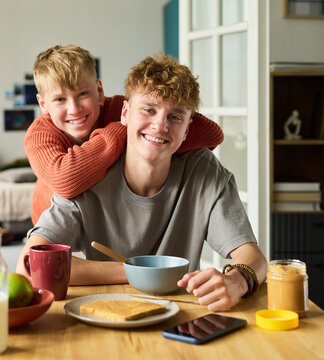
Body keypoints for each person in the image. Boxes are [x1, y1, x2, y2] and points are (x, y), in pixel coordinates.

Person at [17, 53, 267, 312]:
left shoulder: (203, 170)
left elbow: (254, 258)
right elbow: (29, 264)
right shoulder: (85, 172)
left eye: (176, 117)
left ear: (188, 128)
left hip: (182, 315)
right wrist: (141, 272)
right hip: (106, 313)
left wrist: (238, 281)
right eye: (148, 110)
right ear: (125, 113)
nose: (160, 125)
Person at [24, 45, 224, 224]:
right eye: (59, 99)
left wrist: (154, 135)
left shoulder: (120, 108)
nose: (74, 109)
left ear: (99, 91)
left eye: (83, 94)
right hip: (53, 228)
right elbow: (65, 181)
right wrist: (121, 130)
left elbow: (212, 134)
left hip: (106, 220)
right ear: (43, 104)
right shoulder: (40, 134)